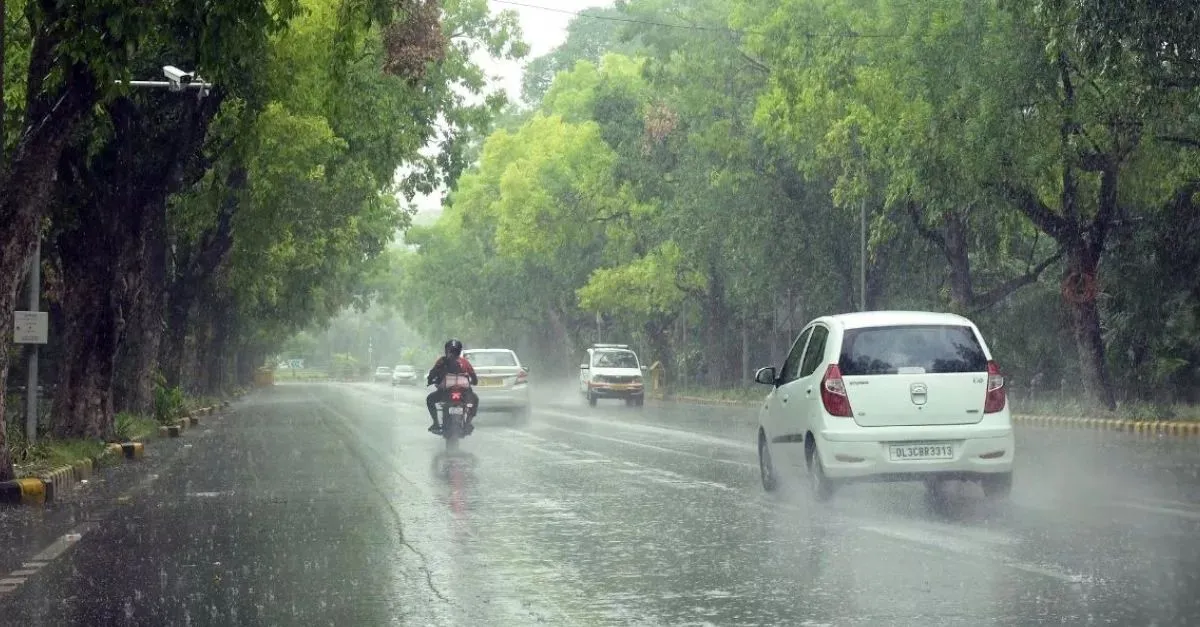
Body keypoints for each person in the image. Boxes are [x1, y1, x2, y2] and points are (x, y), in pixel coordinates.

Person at [425, 339, 479, 433]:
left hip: (445, 393)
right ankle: (467, 423)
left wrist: (430, 380)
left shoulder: (441, 361)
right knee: (475, 400)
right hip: (464, 393)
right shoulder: (464, 362)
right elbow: (473, 376)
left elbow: (432, 373)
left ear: (446, 350)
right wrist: (474, 382)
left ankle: (436, 423)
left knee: (430, 399)